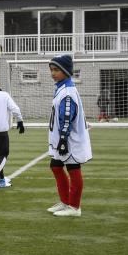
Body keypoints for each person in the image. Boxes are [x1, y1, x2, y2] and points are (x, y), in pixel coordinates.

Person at [47, 54, 92, 217]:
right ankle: (65, 202)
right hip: (61, 138)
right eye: (51, 70)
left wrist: (64, 138)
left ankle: (74, 207)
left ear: (66, 71)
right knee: (56, 166)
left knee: (73, 169)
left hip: (68, 139)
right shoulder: (61, 88)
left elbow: (67, 116)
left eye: (56, 70)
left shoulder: (67, 91)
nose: (53, 73)